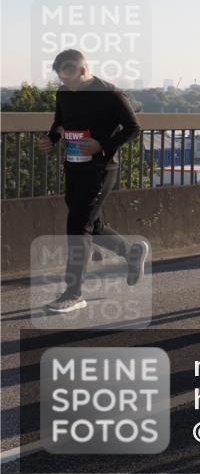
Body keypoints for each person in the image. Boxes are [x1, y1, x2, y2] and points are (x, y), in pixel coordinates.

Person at [38, 49, 149, 313]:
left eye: (69, 79)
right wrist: (51, 139)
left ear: (83, 70)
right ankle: (132, 252)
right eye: (61, 79)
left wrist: (102, 145)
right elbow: (60, 122)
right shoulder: (64, 93)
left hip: (101, 169)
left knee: (78, 226)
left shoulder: (110, 94)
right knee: (91, 225)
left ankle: (73, 293)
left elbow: (133, 128)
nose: (66, 85)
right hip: (74, 166)